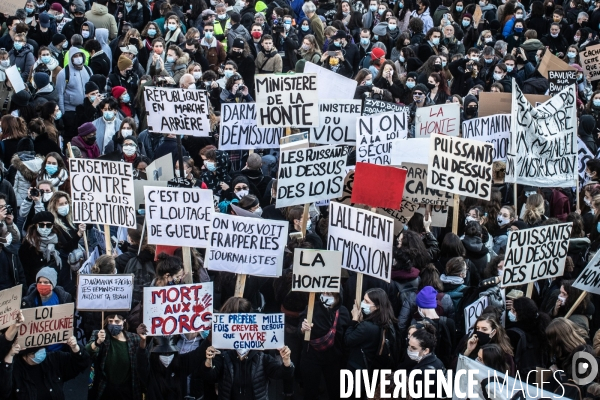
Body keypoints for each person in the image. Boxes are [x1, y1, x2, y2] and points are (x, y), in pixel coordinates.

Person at [1, 335, 91, 399]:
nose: (42, 353)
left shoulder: (54, 359)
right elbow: (4, 391)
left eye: (43, 348)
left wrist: (75, 347)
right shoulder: (14, 370)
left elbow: (82, 363)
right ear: (25, 355)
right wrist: (9, 357)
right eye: (36, 351)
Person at [87, 312, 143, 400]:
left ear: (124, 321)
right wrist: (97, 342)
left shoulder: (134, 338)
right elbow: (87, 353)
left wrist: (143, 342)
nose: (113, 324)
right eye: (110, 321)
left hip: (126, 390)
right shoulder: (100, 335)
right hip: (105, 388)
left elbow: (142, 362)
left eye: (117, 321)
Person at [345, 288, 397, 371]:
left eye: (367, 301)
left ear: (377, 306)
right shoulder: (387, 321)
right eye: (364, 299)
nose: (363, 303)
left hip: (359, 366)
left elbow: (348, 339)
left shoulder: (366, 327)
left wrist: (354, 320)